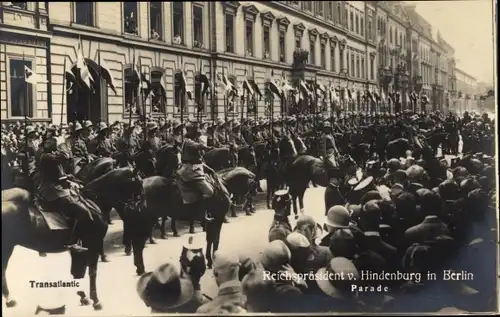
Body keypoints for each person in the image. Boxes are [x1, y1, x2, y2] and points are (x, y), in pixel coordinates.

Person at [38, 137, 90, 253]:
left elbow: (58, 172)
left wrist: (67, 176)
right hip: (52, 190)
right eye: (55, 145)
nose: (57, 147)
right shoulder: (47, 156)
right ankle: (72, 242)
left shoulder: (50, 155)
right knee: (81, 211)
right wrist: (63, 145)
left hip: (56, 186)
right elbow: (65, 157)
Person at [177, 121, 217, 218]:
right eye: (196, 132)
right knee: (209, 191)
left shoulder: (193, 140)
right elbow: (198, 147)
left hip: (197, 167)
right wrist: (208, 147)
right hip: (190, 170)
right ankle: (201, 212)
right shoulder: (188, 141)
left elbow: (199, 159)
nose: (197, 135)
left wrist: (209, 168)